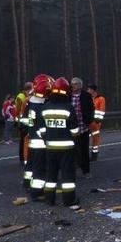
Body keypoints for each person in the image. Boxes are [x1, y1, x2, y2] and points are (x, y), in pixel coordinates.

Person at [35, 77, 79, 206]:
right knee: (67, 177)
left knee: (50, 176)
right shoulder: (68, 108)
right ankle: (69, 200)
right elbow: (75, 130)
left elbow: (40, 129)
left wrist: (47, 138)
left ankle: (50, 199)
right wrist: (72, 139)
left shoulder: (45, 108)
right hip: (67, 149)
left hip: (50, 148)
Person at [25, 75, 52, 198]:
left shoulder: (31, 102)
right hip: (40, 141)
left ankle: (27, 184)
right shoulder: (42, 106)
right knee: (39, 169)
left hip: (32, 138)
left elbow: (25, 120)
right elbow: (43, 127)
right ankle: (36, 192)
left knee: (30, 165)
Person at [70, 77, 95, 178]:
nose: (73, 85)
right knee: (72, 151)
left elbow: (91, 108)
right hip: (71, 128)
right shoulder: (68, 96)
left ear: (80, 85)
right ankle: (73, 170)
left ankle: (86, 171)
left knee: (84, 150)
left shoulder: (86, 96)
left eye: (75, 84)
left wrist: (89, 119)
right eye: (72, 84)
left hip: (83, 127)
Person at [15, 81, 33, 164]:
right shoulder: (21, 97)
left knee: (25, 140)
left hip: (24, 120)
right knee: (23, 140)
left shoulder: (26, 97)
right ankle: (22, 158)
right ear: (27, 90)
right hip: (22, 121)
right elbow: (18, 110)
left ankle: (25, 157)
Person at [86, 84, 106, 161]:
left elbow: (101, 110)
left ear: (93, 90)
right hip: (88, 122)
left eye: (89, 89)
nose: (88, 91)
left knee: (95, 139)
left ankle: (94, 155)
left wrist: (97, 120)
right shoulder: (88, 98)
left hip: (95, 123)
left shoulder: (101, 99)